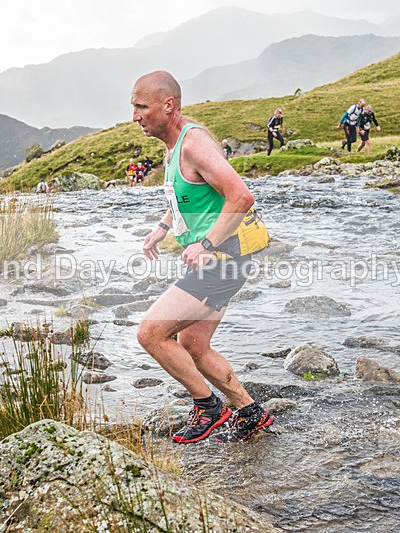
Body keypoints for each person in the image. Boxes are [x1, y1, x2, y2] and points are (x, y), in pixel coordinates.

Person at [132, 70, 273, 443]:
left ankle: (209, 408)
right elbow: (187, 194)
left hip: (224, 258)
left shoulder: (193, 143)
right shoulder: (177, 141)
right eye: (133, 107)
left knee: (151, 333)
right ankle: (249, 413)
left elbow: (241, 197)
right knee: (193, 345)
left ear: (168, 105)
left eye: (141, 107)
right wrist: (163, 229)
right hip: (223, 257)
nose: (135, 116)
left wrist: (206, 244)